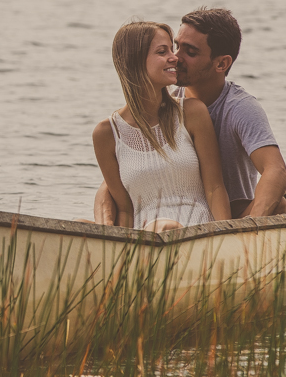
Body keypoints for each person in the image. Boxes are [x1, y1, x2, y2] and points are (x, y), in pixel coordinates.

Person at [95, 8, 286, 225]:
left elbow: (276, 170)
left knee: (279, 204)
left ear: (221, 64)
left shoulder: (239, 108)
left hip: (225, 215)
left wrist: (238, 232)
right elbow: (123, 179)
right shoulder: (164, 102)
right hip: (157, 222)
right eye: (175, 47)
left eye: (191, 52)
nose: (175, 58)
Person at [91, 21, 231, 232]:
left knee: (165, 226)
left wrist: (224, 236)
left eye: (171, 50)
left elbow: (215, 188)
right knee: (74, 227)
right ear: (135, 61)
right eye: (162, 51)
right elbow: (125, 209)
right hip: (145, 240)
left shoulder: (192, 113)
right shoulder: (107, 134)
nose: (174, 57)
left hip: (196, 234)